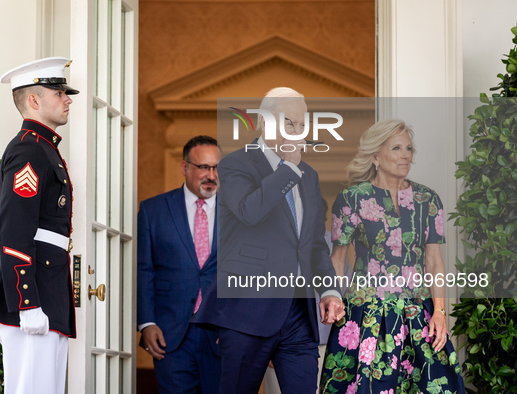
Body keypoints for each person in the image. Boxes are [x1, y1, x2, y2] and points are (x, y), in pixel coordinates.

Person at [194, 87, 345, 394]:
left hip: (298, 314)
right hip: (246, 311)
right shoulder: (235, 164)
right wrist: (288, 167)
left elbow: (314, 243)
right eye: (290, 123)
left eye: (302, 125)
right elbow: (250, 211)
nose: (299, 132)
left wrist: (329, 290)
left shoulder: (310, 176)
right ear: (264, 124)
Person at [320, 119, 465, 393]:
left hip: (418, 314)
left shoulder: (428, 199)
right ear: (375, 156)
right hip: (365, 315)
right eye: (396, 148)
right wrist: (334, 300)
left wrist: (440, 312)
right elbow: (338, 260)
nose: (405, 155)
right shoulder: (351, 199)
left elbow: (434, 262)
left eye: (408, 148)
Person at [0, 57, 78, 394]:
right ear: (34, 100)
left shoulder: (44, 149)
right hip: (33, 292)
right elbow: (15, 230)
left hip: (46, 288)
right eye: (59, 92)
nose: (67, 99)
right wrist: (27, 301)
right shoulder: (29, 150)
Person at [137, 136, 221, 393]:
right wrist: (147, 323)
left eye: (216, 168)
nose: (211, 175)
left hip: (221, 334)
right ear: (185, 167)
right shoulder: (153, 210)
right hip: (170, 334)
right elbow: (143, 270)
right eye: (203, 167)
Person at [263, 197, 351, 394]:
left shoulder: (333, 245)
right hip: (282, 341)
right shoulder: (275, 243)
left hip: (325, 341)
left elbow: (342, 294)